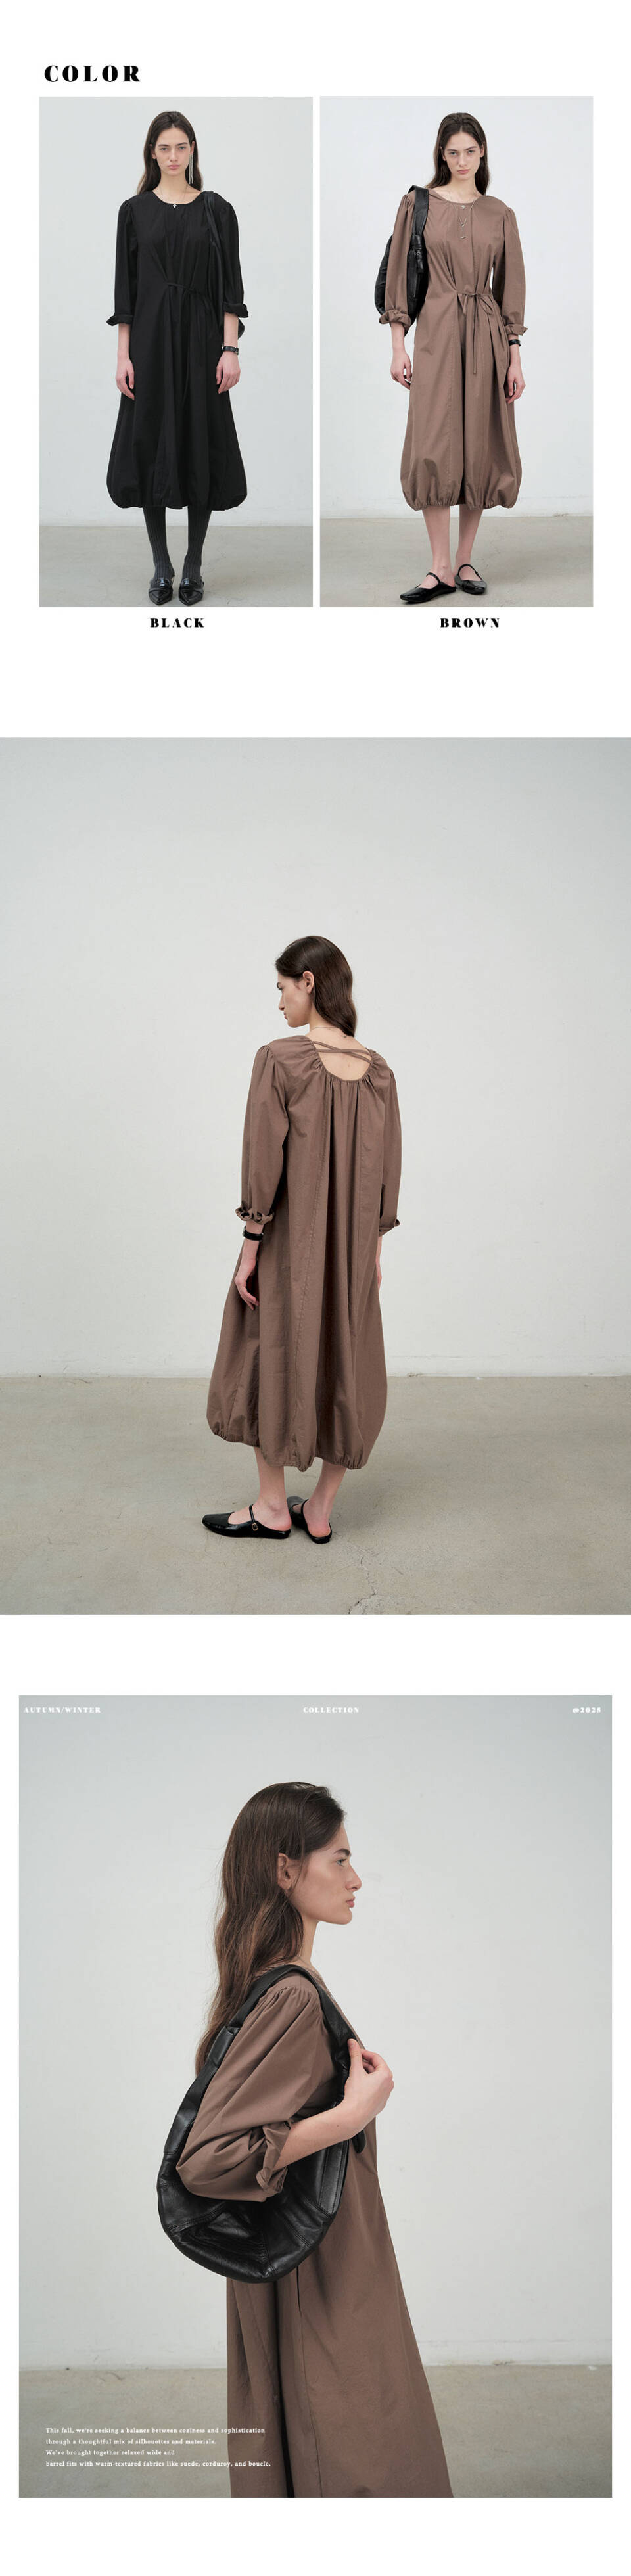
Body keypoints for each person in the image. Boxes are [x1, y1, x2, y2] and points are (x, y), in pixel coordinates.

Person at [175, 1780, 454, 2499]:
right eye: (341, 1859)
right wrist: (352, 2114)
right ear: (285, 1869)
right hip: (321, 2262)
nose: (356, 1879)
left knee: (322, 2433)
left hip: (307, 2252)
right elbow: (209, 2160)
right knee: (357, 2436)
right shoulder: (293, 1994)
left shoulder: (278, 1982)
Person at [202, 936, 402, 1542]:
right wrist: (372, 1253)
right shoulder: (380, 1072)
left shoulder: (280, 1059)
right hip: (353, 1250)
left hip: (290, 1241)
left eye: (283, 988)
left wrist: (250, 1244)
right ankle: (318, 1510)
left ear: (308, 982)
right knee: (347, 1360)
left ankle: (270, 1506)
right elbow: (386, 1173)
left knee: (264, 1349)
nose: (280, 1002)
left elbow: (263, 1161)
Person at [381, 111, 526, 603]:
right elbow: (400, 276)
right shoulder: (417, 204)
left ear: (482, 153)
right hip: (437, 332)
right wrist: (398, 344)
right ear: (441, 155)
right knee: (434, 445)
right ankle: (439, 566)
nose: (462, 161)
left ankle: (464, 558)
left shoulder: (500, 213)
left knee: (479, 445)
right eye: (453, 152)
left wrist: (515, 357)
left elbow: (510, 291)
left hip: (487, 336)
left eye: (470, 151)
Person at [106, 110, 246, 604]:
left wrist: (230, 348)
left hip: (203, 342)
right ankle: (161, 564)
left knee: (199, 443)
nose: (173, 156)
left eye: (181, 147)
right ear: (152, 152)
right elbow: (126, 292)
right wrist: (123, 356)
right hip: (149, 344)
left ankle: (193, 564)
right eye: (164, 147)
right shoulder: (133, 211)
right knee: (151, 446)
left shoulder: (216, 210)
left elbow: (231, 288)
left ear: (192, 151)